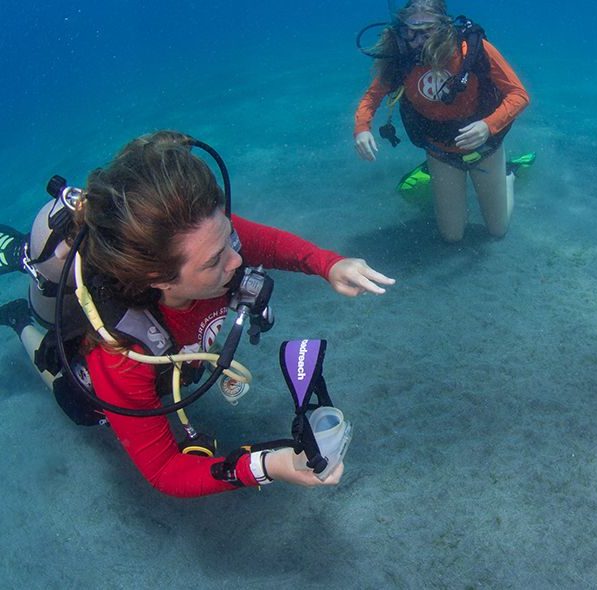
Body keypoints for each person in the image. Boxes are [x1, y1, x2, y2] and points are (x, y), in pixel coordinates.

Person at [0, 130, 395, 497]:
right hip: (100, 368)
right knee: (81, 405)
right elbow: (164, 471)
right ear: (159, 279)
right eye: (213, 262)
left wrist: (329, 265)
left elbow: (270, 245)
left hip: (172, 351)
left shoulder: (205, 237)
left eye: (229, 237)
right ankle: (19, 314)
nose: (237, 258)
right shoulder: (121, 357)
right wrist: (269, 465)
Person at [353, 0, 529, 242]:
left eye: (426, 31)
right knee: (452, 236)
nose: (418, 41)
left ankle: (507, 175)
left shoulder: (473, 49)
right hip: (440, 152)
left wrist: (488, 126)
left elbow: (519, 95)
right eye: (410, 32)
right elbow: (372, 97)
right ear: (400, 29)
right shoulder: (400, 60)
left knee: (498, 230)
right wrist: (362, 129)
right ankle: (437, 179)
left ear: (443, 28)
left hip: (485, 148)